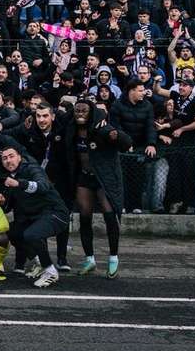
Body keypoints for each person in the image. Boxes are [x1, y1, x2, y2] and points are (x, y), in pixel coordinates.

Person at [69, 99, 130, 279]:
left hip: (104, 178)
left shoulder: (102, 128)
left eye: (84, 111)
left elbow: (126, 142)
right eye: (77, 110)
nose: (80, 114)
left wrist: (115, 134)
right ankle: (90, 259)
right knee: (85, 217)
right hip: (84, 177)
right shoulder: (71, 129)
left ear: (91, 112)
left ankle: (113, 259)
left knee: (109, 216)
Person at [0, 147, 70, 288]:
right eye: (4, 158)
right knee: (12, 232)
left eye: (11, 156)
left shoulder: (32, 169)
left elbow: (43, 186)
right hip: (35, 217)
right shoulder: (10, 177)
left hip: (56, 213)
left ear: (19, 157)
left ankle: (51, 272)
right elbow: (9, 206)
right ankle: (40, 263)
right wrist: (1, 200)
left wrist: (20, 184)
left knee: (31, 235)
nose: (8, 160)